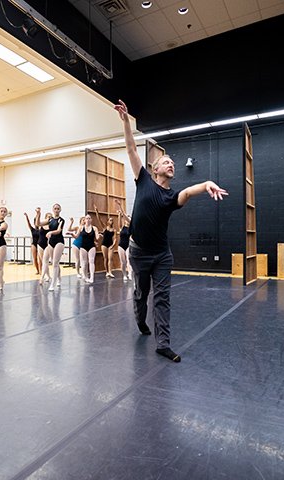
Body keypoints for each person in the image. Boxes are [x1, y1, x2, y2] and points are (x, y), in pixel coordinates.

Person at [115, 100, 228, 362]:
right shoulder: (143, 179)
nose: (171, 164)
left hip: (162, 255)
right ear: (154, 170)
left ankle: (163, 343)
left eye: (172, 163)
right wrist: (125, 122)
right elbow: (131, 148)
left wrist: (207, 183)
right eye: (165, 162)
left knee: (163, 298)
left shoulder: (172, 197)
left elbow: (188, 191)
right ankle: (140, 319)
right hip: (139, 253)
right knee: (141, 294)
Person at [37, 204, 66, 292]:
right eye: (55, 209)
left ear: (60, 210)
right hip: (51, 242)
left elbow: (58, 230)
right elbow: (38, 223)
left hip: (59, 242)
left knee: (55, 263)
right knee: (54, 262)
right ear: (53, 210)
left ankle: (53, 283)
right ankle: (59, 278)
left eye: (58, 209)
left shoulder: (61, 220)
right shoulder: (50, 219)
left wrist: (51, 233)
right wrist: (38, 214)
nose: (56, 210)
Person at [94, 205, 116, 278]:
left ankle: (110, 271)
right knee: (105, 258)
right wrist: (97, 211)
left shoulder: (114, 230)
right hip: (104, 244)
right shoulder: (104, 227)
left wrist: (113, 244)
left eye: (112, 220)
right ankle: (106, 271)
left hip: (110, 244)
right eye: (110, 220)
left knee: (110, 258)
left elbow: (115, 238)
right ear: (108, 221)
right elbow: (99, 219)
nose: (111, 221)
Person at [76, 214, 99, 284]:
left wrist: (99, 236)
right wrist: (71, 234)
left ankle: (92, 277)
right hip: (83, 246)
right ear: (85, 220)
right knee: (84, 262)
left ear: (91, 220)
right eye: (87, 218)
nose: (88, 220)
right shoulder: (81, 228)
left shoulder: (94, 228)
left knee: (91, 261)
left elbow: (97, 237)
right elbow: (76, 236)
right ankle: (85, 276)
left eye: (89, 218)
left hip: (91, 246)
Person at [115, 199, 132, 282]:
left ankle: (130, 274)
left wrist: (121, 207)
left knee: (129, 260)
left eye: (129, 218)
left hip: (128, 245)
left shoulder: (132, 228)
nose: (127, 219)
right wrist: (119, 209)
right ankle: (124, 274)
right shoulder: (122, 227)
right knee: (123, 262)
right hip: (121, 245)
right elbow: (120, 220)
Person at [36, 208, 52, 283]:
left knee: (45, 260)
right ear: (46, 217)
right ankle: (48, 275)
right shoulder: (42, 225)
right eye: (48, 216)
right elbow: (37, 223)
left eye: (50, 217)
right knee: (43, 261)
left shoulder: (52, 226)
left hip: (47, 244)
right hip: (40, 244)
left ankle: (44, 276)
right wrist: (38, 214)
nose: (49, 218)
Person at [24, 211, 41, 276]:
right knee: (35, 258)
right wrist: (26, 217)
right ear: (34, 223)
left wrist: (38, 214)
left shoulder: (41, 230)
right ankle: (37, 270)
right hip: (34, 244)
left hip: (39, 244)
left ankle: (41, 270)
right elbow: (28, 223)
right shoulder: (32, 229)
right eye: (35, 222)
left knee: (40, 259)